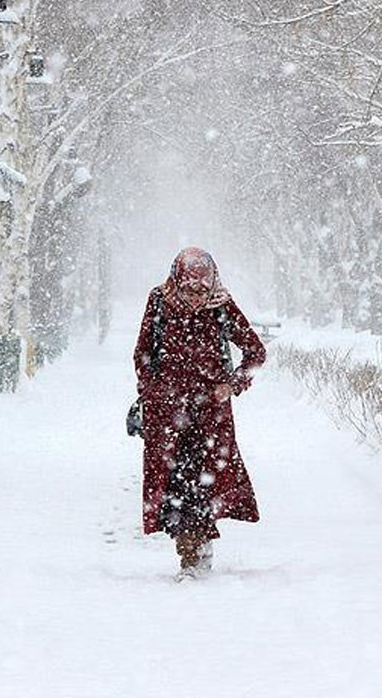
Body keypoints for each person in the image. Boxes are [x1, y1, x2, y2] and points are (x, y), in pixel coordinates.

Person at [132, 247, 267, 579]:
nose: (196, 297)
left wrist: (232, 385)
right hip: (167, 414)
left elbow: (255, 352)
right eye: (190, 289)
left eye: (202, 290)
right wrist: (152, 391)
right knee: (174, 485)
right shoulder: (160, 302)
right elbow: (143, 352)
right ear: (177, 281)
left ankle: (196, 554)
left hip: (211, 416)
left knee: (203, 483)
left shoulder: (221, 306)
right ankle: (189, 551)